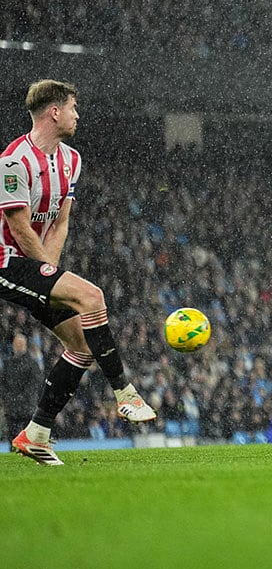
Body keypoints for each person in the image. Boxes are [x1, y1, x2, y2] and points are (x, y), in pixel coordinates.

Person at [2, 79, 156, 466]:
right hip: (5, 261)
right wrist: (47, 274)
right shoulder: (13, 161)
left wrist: (48, 271)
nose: (77, 114)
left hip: (33, 264)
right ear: (54, 112)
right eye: (72, 107)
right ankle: (124, 392)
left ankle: (36, 434)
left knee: (83, 344)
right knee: (93, 297)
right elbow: (20, 229)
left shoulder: (72, 160)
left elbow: (60, 223)